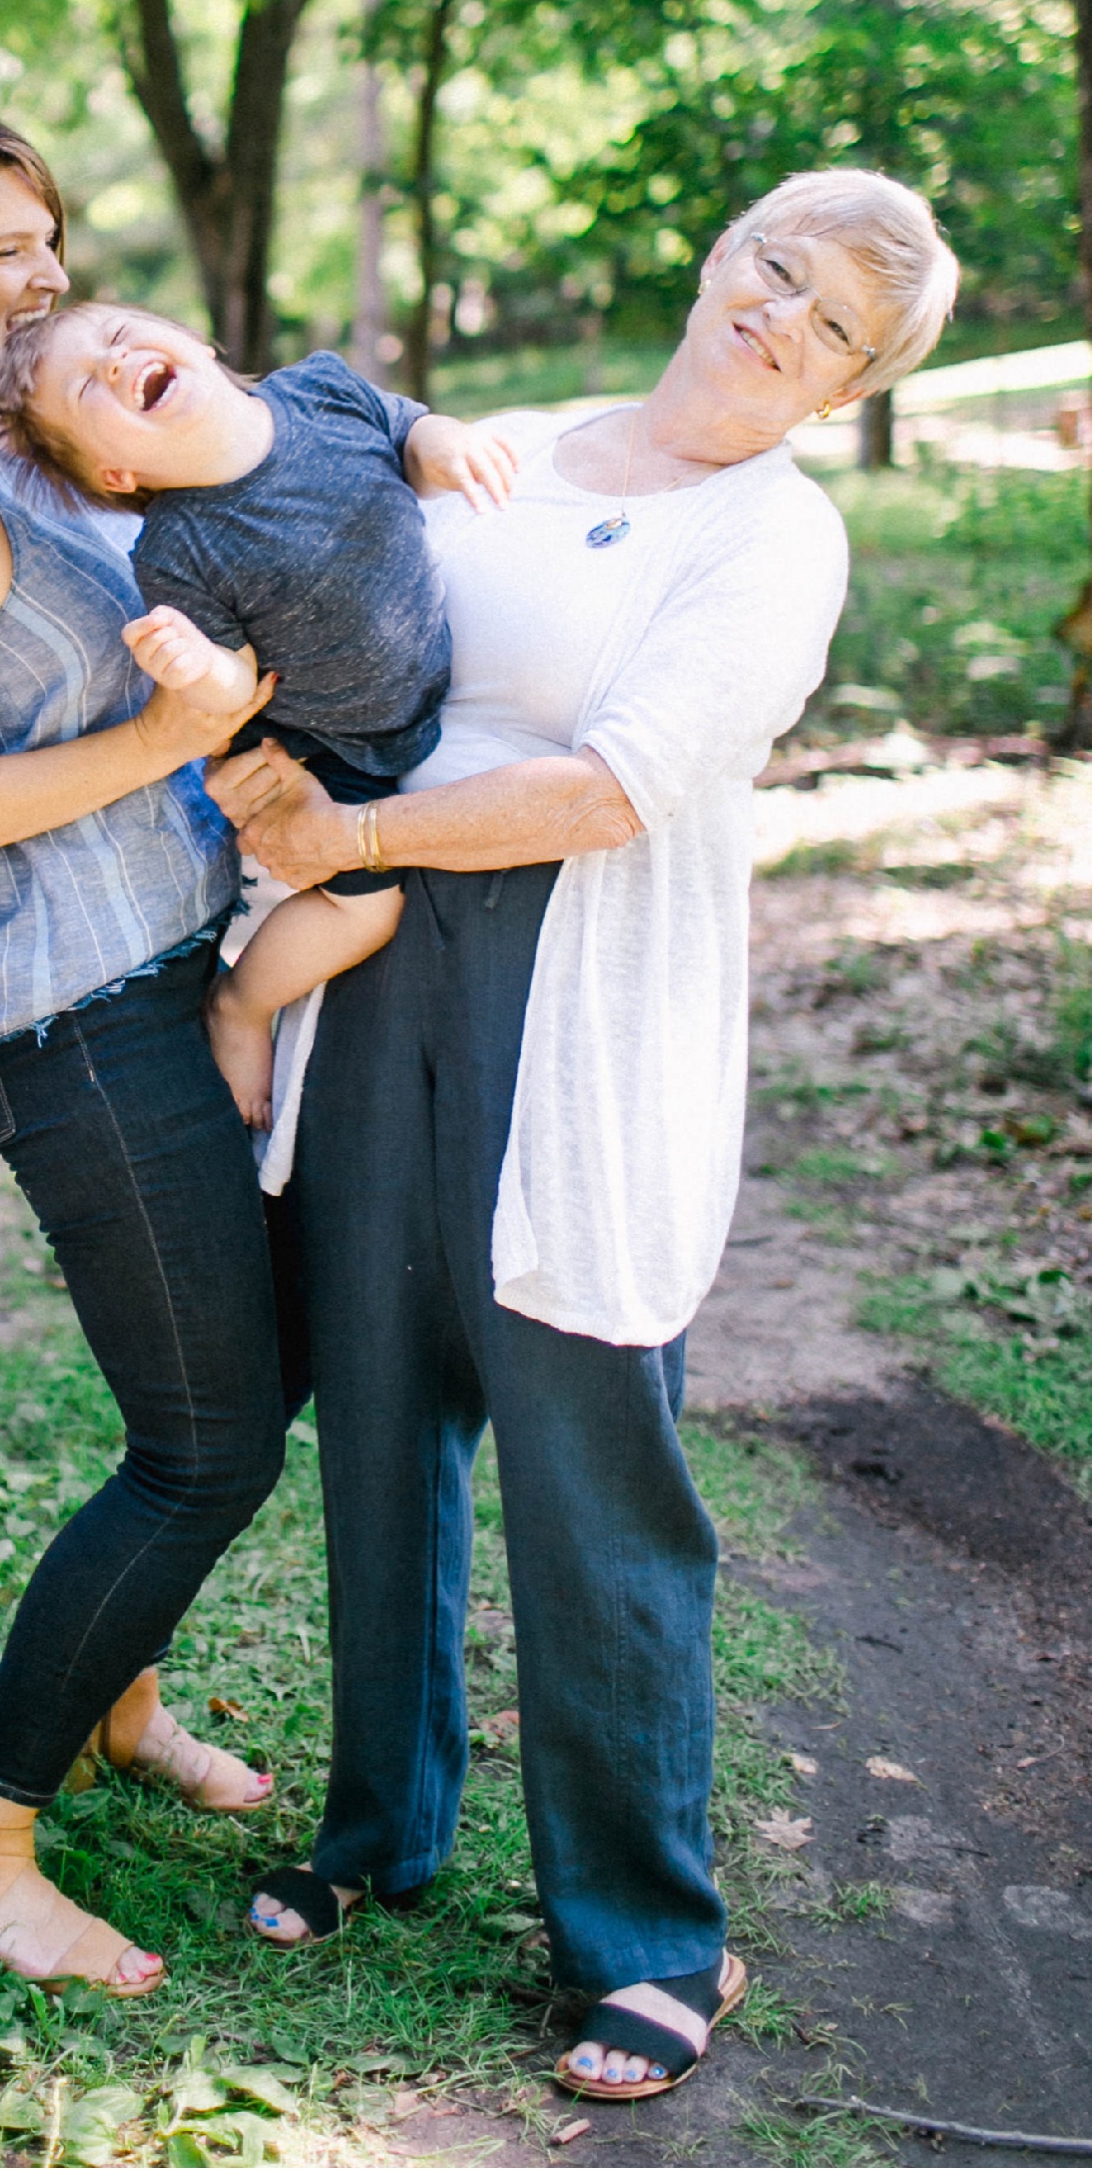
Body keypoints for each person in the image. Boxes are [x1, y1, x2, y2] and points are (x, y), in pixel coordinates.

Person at [211, 170, 958, 2104]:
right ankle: (380, 1823)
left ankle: (645, 1931)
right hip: (370, 965)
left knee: (588, 1452)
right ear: (722, 256)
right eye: (775, 265)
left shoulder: (775, 539)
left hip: (574, 982)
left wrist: (358, 829)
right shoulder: (512, 448)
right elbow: (339, 623)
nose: (781, 313)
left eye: (835, 322)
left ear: (845, 384)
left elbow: (615, 785)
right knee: (378, 1416)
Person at [0, 107, 283, 1998]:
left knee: (207, 1387)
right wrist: (177, 744)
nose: (45, 275)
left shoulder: (33, 442)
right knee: (209, 1443)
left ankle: (121, 1694)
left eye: (52, 234)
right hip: (73, 1020)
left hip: (173, 969)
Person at [0, 302, 515, 1125]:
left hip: (435, 688)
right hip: (325, 748)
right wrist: (196, 669)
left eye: (122, 338)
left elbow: (403, 429)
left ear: (192, 341)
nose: (119, 364)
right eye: (89, 385)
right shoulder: (179, 549)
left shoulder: (321, 390)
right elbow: (241, 690)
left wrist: (444, 442)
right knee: (367, 910)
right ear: (116, 474)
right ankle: (240, 1006)